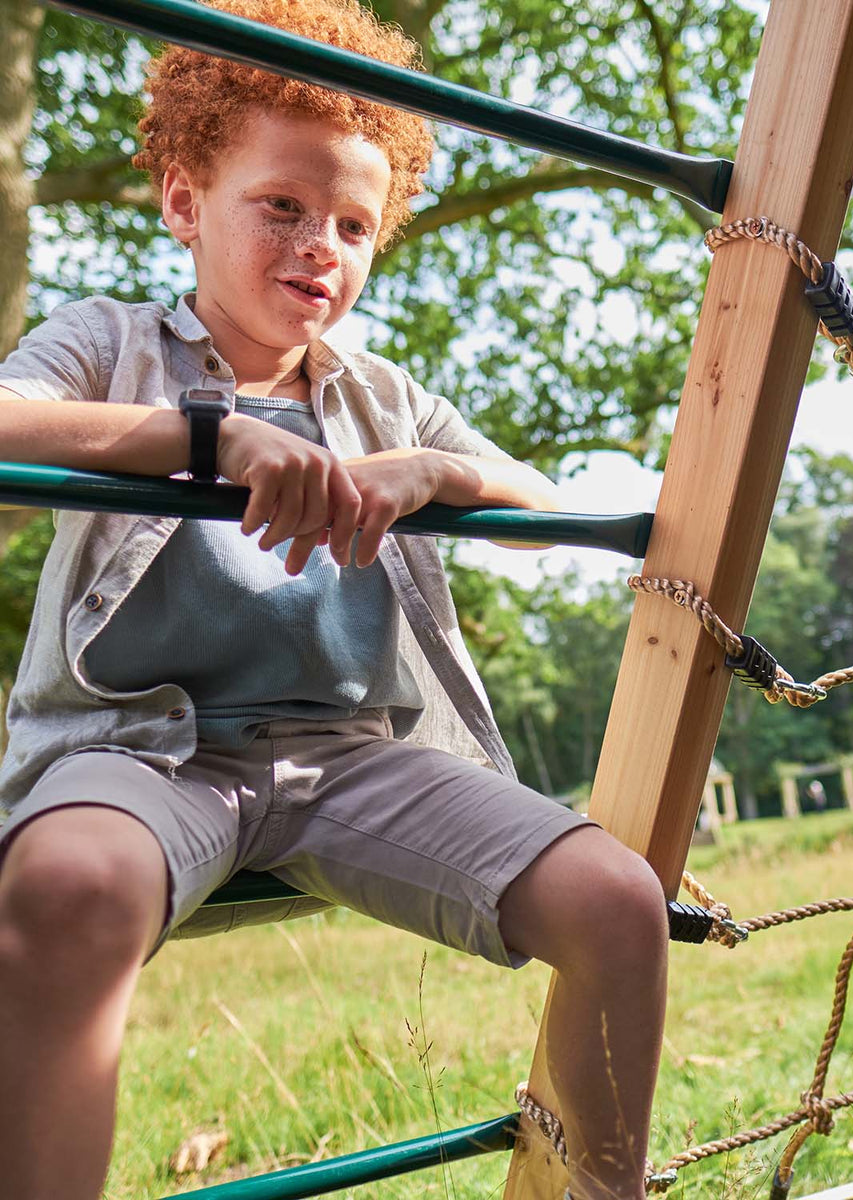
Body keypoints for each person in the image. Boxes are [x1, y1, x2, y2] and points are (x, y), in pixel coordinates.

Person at [0, 2, 668, 1197]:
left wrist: (435, 471)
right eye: (284, 208)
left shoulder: (381, 396)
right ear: (184, 204)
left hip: (352, 760)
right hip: (148, 753)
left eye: (355, 225)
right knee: (68, 884)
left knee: (618, 900)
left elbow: (532, 490)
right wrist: (213, 439)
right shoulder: (110, 342)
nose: (322, 246)